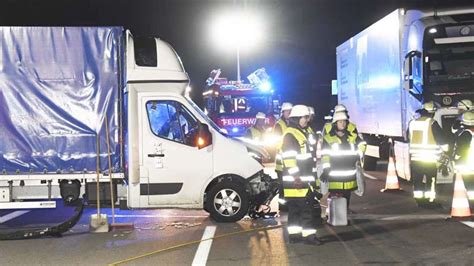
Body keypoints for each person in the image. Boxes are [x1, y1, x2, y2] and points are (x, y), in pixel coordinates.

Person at [280, 105, 322, 245]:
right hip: (298, 180)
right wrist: (296, 177)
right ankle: (309, 237)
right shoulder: (291, 134)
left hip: (299, 180)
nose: (307, 120)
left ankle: (294, 236)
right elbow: (289, 159)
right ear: (297, 118)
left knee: (295, 210)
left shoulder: (300, 132)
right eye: (305, 117)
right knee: (306, 210)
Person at [321, 111, 363, 209]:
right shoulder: (328, 138)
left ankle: (344, 214)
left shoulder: (352, 137)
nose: (343, 124)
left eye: (344, 121)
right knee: (335, 197)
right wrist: (326, 169)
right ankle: (334, 215)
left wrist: (358, 155)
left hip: (349, 175)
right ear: (335, 123)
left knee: (347, 196)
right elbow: (325, 155)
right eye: (340, 122)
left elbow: (362, 144)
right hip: (335, 175)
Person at [408, 101, 447, 205]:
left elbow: (409, 138)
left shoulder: (412, 123)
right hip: (429, 159)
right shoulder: (432, 123)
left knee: (417, 180)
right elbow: (441, 140)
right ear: (432, 112)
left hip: (415, 158)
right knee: (431, 180)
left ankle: (419, 201)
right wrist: (445, 151)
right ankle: (430, 201)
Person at [274, 102, 293, 207]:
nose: (289, 113)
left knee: (289, 185)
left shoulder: (291, 123)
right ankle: (283, 206)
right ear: (283, 112)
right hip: (281, 162)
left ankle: (288, 204)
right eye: (287, 111)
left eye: (291, 111)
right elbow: (277, 142)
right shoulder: (279, 125)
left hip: (289, 160)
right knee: (282, 186)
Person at [453, 110, 474, 201]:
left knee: (466, 186)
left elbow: (461, 149)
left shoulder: (465, 134)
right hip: (470, 165)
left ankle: (470, 204)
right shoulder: (470, 133)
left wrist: (456, 157)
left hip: (466, 165)